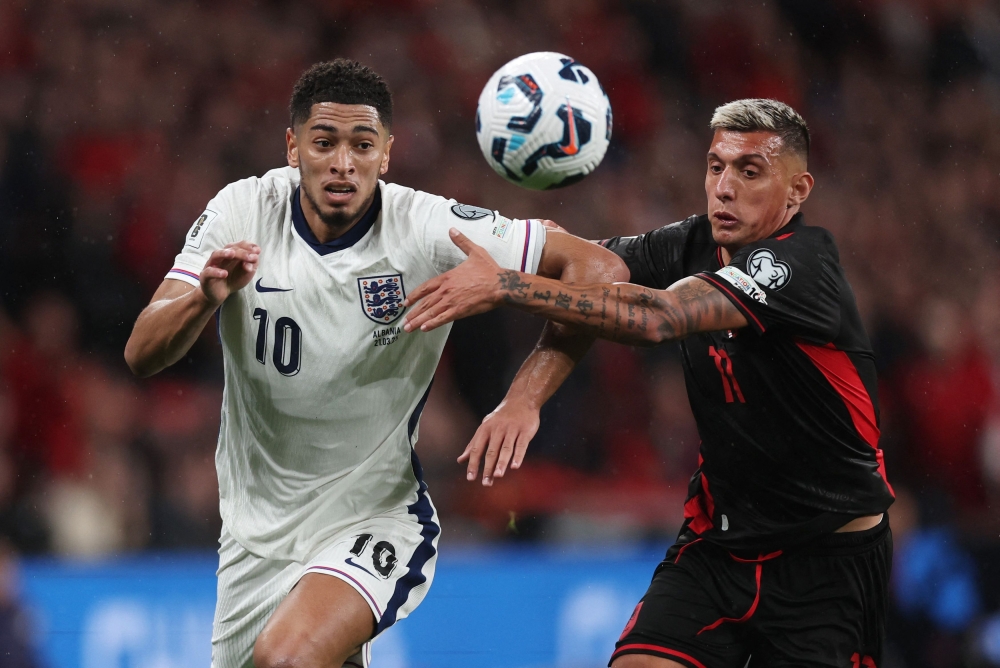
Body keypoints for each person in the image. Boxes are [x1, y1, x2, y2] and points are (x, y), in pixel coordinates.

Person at [124, 59, 626, 668]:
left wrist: (524, 394)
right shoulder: (243, 211)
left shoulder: (426, 228)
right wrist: (204, 298)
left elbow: (600, 270)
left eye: (363, 145)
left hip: (377, 517)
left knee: (285, 659)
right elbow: (142, 353)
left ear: (386, 154)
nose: (344, 163)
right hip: (255, 535)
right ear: (292, 147)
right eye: (324, 142)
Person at [403, 98, 895, 668]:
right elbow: (590, 275)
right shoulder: (691, 243)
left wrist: (507, 286)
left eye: (750, 171)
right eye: (716, 167)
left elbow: (658, 318)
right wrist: (523, 398)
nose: (725, 187)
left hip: (826, 561)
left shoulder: (805, 267)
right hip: (720, 546)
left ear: (798, 189)